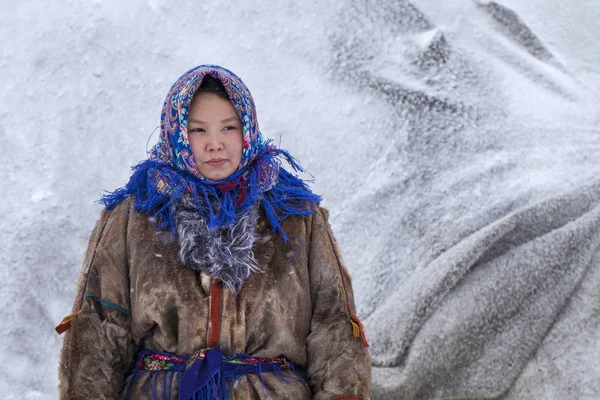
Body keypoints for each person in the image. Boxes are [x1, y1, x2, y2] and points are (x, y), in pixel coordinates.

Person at [56, 64, 371, 399]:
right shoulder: (133, 217)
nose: (215, 144)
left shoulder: (297, 216)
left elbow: (334, 326)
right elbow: (99, 331)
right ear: (177, 134)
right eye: (198, 130)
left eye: (228, 128)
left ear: (247, 129)